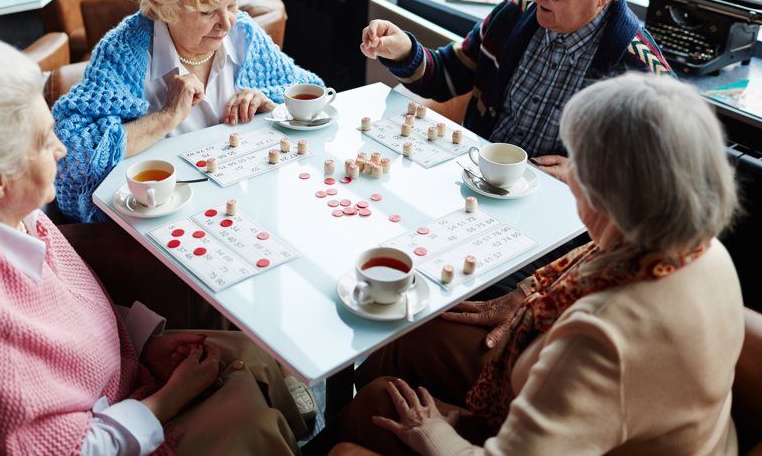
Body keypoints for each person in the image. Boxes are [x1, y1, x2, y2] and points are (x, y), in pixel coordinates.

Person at [0, 39, 308, 456]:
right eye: (45, 141)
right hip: (104, 432)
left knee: (252, 355)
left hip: (114, 384)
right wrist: (168, 400)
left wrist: (141, 345)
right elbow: (60, 448)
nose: (62, 149)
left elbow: (60, 318)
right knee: (252, 421)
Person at [310, 73, 743, 456]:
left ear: (612, 197)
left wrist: (435, 432)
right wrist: (524, 294)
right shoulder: (698, 248)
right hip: (615, 423)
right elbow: (589, 260)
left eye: (581, 169)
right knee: (411, 334)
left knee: (376, 406)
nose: (571, 178)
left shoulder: (602, 338)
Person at [360, 0, 673, 185]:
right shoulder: (515, 12)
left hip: (561, 217)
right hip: (475, 182)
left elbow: (663, 180)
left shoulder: (644, 75)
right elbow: (446, 75)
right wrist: (403, 50)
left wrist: (588, 176)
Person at [53, 0, 324, 223]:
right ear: (165, 6)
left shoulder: (245, 36)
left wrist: (270, 106)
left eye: (232, 4)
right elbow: (69, 156)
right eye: (207, 11)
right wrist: (166, 116)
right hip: (162, 217)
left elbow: (309, 97)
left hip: (240, 203)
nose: (227, 23)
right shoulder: (123, 51)